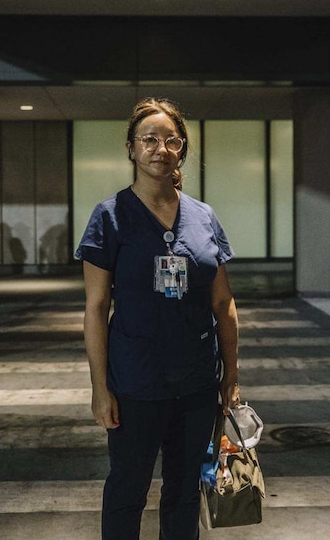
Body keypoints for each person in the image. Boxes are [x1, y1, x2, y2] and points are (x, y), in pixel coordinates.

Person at [75, 98, 241, 540]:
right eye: (149, 139)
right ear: (131, 148)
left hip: (196, 383)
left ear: (181, 149)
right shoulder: (109, 217)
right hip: (135, 383)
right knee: (128, 490)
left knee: (186, 491)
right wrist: (99, 385)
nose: (159, 148)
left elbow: (223, 303)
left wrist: (231, 375)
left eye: (171, 140)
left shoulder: (204, 217)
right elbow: (95, 309)